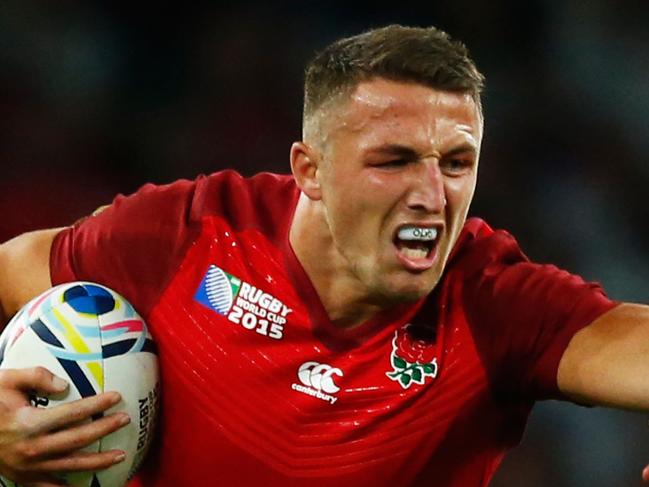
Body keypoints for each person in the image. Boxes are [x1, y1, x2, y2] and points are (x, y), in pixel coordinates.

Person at [0, 24, 647, 487]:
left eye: (456, 163)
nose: (431, 195)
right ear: (309, 170)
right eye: (393, 160)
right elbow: (11, 269)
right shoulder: (188, 239)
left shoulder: (487, 303)